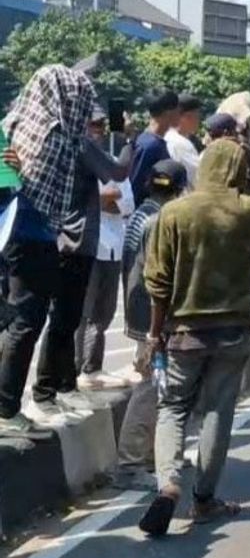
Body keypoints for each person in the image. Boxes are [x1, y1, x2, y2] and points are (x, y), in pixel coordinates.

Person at [137, 139, 250, 536]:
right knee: (218, 412)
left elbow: (158, 283)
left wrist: (154, 334)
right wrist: (249, 155)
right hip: (234, 332)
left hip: (183, 332)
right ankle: (204, 501)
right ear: (239, 170)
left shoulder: (175, 212)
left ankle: (168, 482)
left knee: (173, 409)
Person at [0, 67, 110, 436]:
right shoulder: (58, 137)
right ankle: (6, 407)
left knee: (17, 320)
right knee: (27, 321)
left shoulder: (15, 120)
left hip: (12, 233)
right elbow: (52, 198)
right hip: (33, 233)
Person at [114, 159, 187, 491]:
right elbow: (160, 276)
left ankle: (148, 457)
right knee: (149, 387)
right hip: (151, 316)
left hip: (138, 310)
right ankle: (130, 464)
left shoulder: (141, 214)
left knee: (156, 385)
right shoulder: (160, 220)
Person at [75, 113, 136, 390]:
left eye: (101, 125)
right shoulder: (78, 158)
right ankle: (76, 369)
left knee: (105, 312)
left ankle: (93, 367)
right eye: (93, 125)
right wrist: (105, 199)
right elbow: (94, 200)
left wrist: (106, 200)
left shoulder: (111, 162)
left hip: (113, 245)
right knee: (81, 314)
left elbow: (125, 204)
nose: (97, 131)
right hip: (88, 246)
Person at [129, 90, 180, 205]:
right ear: (168, 113)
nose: (180, 115)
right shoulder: (149, 146)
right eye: (178, 110)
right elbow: (137, 183)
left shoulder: (156, 142)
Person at [165, 94, 202, 189]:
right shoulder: (180, 144)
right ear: (187, 117)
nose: (199, 120)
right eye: (197, 116)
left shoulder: (166, 137)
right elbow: (199, 177)